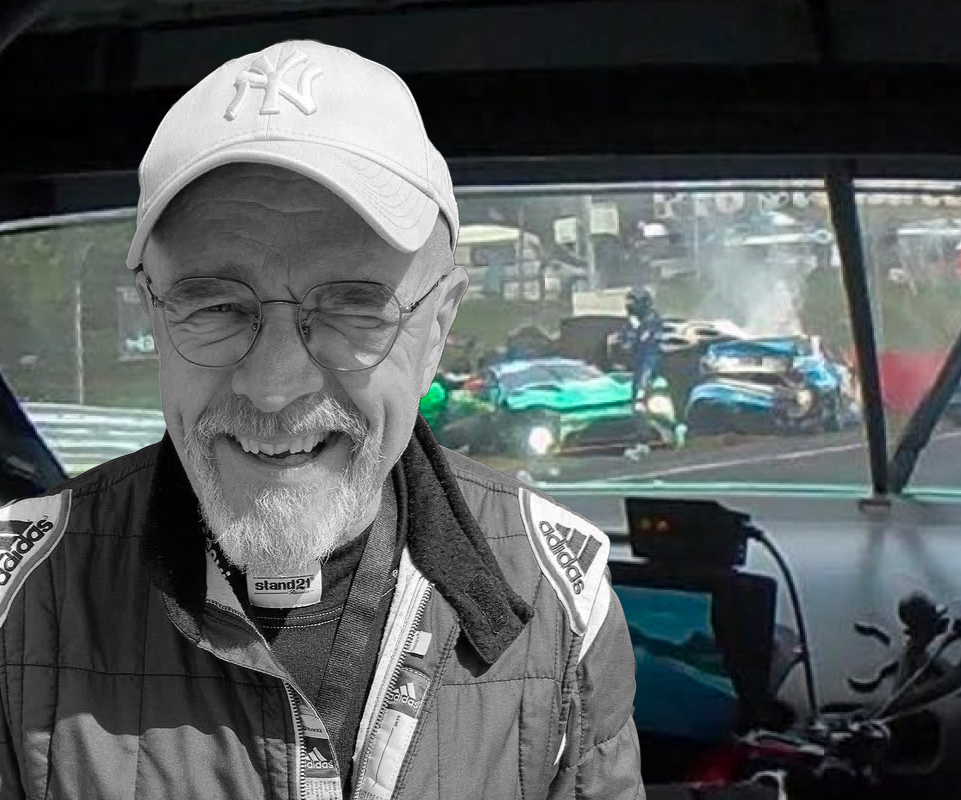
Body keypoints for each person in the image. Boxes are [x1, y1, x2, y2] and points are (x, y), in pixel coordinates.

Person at [0, 40, 644, 800]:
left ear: (438, 328)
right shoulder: (17, 603)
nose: (274, 387)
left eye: (353, 307)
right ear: (153, 312)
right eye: (216, 306)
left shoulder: (564, 602)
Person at [618, 288, 663, 458]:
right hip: (638, 369)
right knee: (636, 405)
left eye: (633, 303)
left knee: (640, 404)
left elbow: (648, 349)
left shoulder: (652, 322)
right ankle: (641, 440)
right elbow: (625, 345)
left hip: (647, 368)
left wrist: (646, 377)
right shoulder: (633, 323)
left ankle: (644, 441)